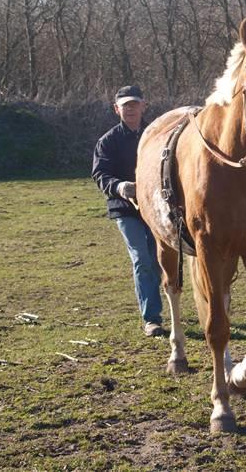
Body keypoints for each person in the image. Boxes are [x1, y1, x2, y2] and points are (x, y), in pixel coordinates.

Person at [92, 85, 164, 337]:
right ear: (116, 109)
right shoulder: (108, 141)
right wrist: (120, 187)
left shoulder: (157, 134)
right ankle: (152, 318)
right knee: (142, 259)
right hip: (125, 209)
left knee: (159, 260)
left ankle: (166, 304)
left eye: (135, 104)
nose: (130, 109)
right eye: (125, 105)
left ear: (144, 106)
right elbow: (100, 174)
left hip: (156, 207)